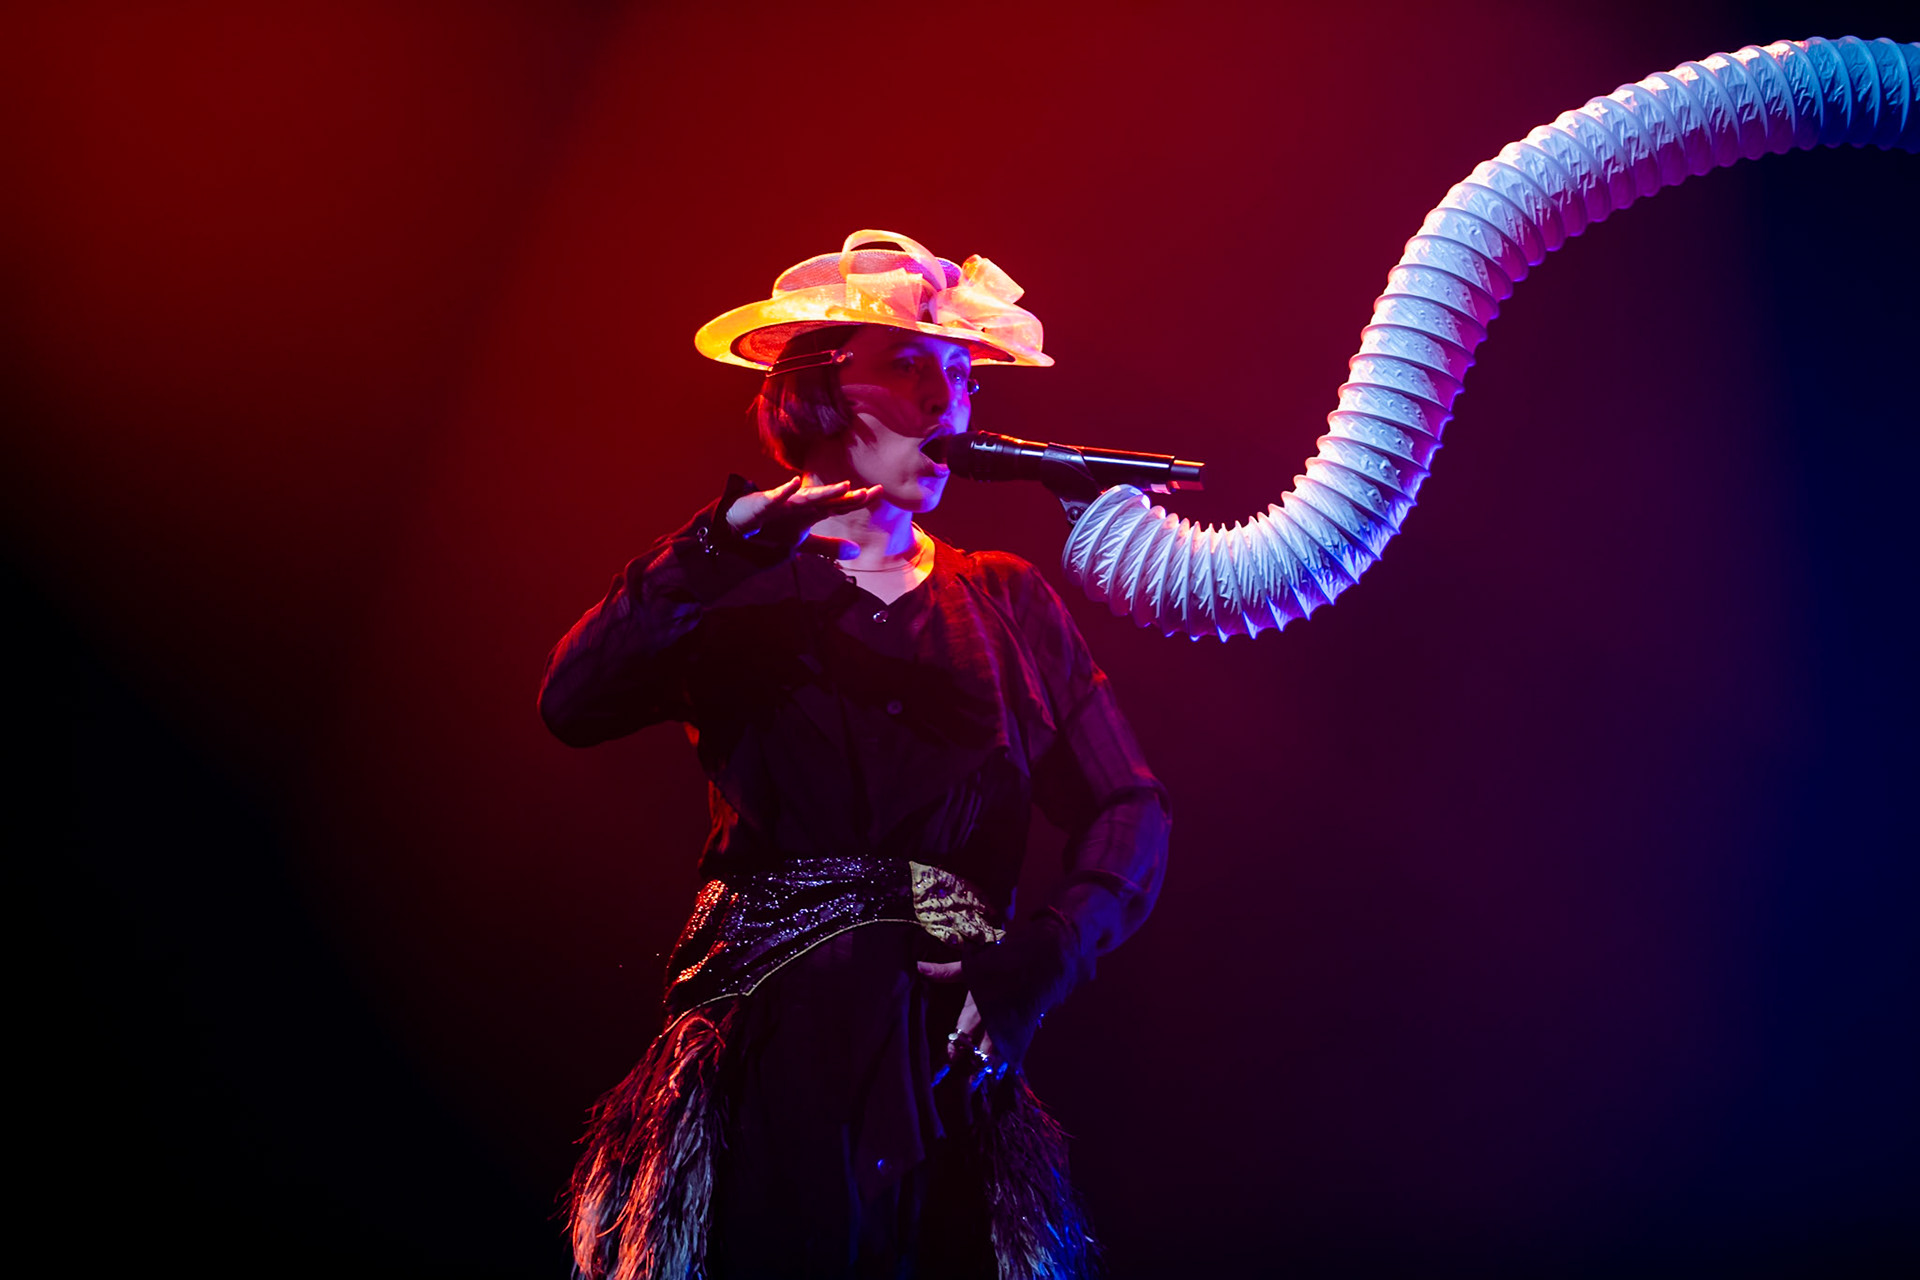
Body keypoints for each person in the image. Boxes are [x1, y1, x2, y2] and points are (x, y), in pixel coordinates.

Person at [539, 230, 1169, 1279]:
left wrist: (1047, 953)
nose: (950, 405)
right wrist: (725, 539)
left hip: (950, 1056)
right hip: (770, 1059)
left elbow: (1131, 806)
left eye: (962, 373)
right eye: (913, 366)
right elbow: (573, 698)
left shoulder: (1007, 597)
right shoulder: (726, 585)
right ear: (822, 389)